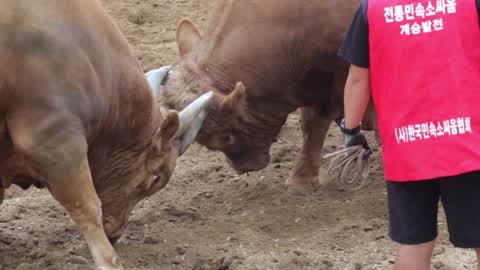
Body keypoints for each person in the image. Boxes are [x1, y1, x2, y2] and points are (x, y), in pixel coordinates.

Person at [338, 0, 480, 269]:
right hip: (468, 145)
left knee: (415, 242)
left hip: (406, 149)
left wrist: (351, 131)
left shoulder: (372, 10)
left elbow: (357, 78)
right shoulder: (469, 3)